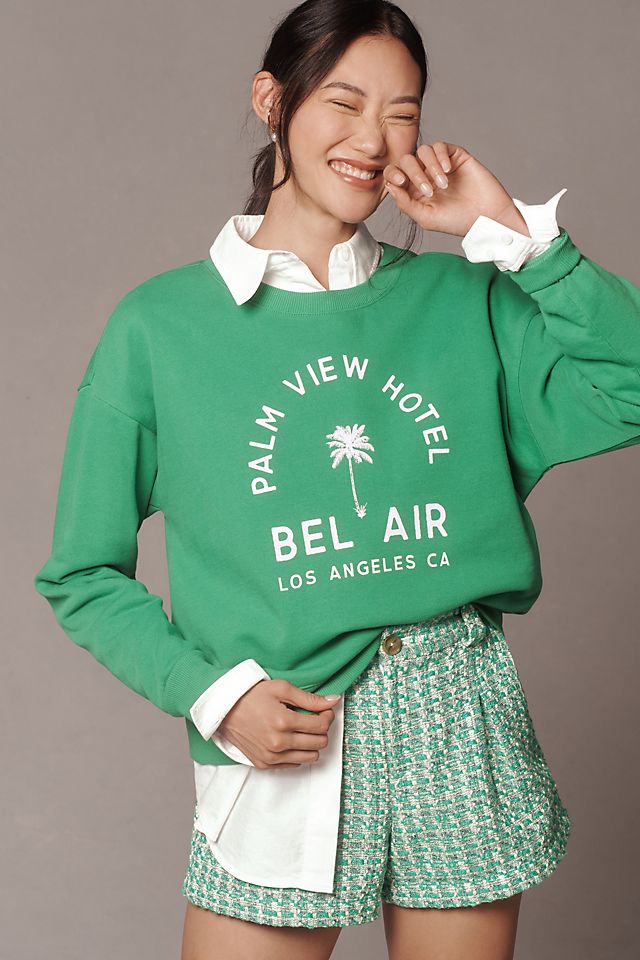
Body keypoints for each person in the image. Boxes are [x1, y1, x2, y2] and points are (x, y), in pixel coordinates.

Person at [33, 2, 640, 959]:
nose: (372, 139)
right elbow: (81, 572)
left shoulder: (464, 298)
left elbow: (630, 383)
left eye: (402, 113)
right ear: (272, 100)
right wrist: (213, 696)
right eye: (344, 103)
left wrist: (512, 235)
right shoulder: (159, 329)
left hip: (458, 712)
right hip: (288, 724)